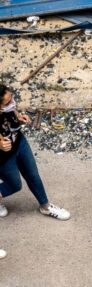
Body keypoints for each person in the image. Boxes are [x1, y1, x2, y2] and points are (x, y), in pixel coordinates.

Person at [0, 84, 71, 221]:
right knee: (14, 185)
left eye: (12, 98)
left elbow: (11, 110)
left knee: (32, 174)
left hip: (19, 143)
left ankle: (45, 206)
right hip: (3, 156)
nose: (12, 102)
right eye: (8, 102)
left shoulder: (7, 105)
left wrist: (18, 117)